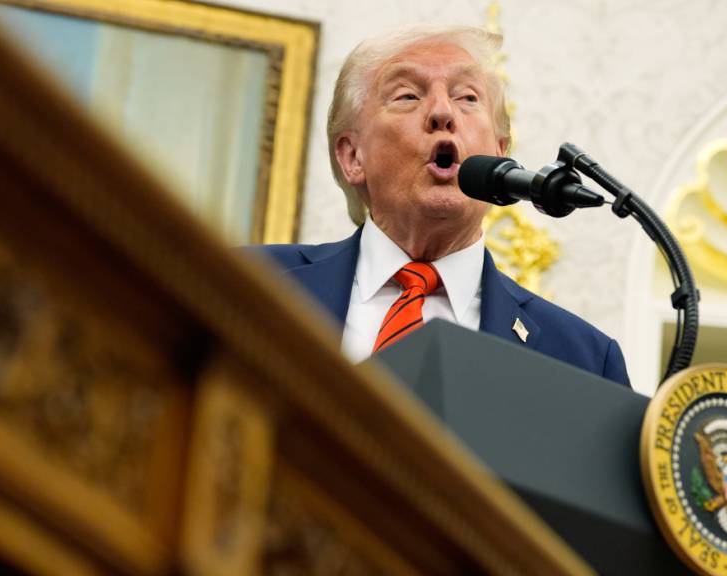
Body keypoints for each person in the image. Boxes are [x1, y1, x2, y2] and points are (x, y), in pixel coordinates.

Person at [257, 25, 630, 387]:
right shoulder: (254, 284)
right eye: (407, 95)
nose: (442, 112)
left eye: (467, 97)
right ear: (353, 156)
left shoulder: (584, 361)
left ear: (500, 153)